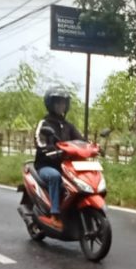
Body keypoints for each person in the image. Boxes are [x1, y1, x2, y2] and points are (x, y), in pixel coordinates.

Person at [32, 87, 84, 228]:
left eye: (63, 103)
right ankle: (54, 214)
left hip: (66, 166)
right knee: (55, 177)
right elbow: (39, 141)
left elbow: (81, 140)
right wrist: (51, 150)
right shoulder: (45, 123)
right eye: (58, 103)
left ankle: (75, 211)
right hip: (46, 165)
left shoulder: (68, 125)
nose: (61, 106)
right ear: (51, 104)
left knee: (79, 181)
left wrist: (93, 147)